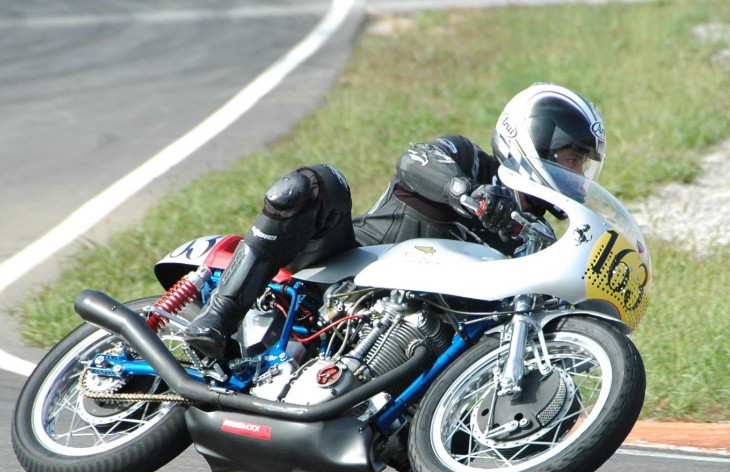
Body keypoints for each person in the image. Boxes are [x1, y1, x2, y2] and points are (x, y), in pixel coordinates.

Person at [184, 82, 607, 360]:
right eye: (572, 159)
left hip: (410, 338)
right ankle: (219, 318)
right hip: (339, 266)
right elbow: (414, 161)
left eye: (582, 165)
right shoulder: (468, 160)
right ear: (536, 142)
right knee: (314, 184)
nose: (577, 174)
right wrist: (467, 193)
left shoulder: (536, 238)